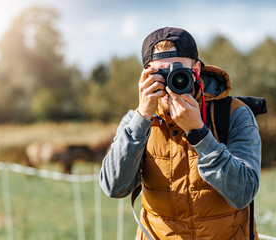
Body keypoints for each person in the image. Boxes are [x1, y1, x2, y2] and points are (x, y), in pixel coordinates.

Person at [99, 27, 261, 240]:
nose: (169, 82)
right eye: (159, 74)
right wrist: (142, 118)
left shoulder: (233, 113)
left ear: (197, 69)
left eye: (177, 71)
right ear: (144, 76)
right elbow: (114, 187)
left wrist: (199, 134)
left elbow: (243, 193)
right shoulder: (137, 121)